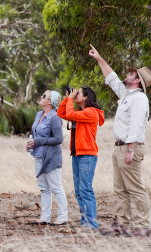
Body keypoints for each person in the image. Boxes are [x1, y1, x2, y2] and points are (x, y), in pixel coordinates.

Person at [88, 44, 151, 236]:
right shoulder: (127, 95)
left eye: (131, 74)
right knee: (120, 188)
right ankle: (121, 224)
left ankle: (144, 225)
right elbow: (112, 79)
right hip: (119, 147)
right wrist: (99, 59)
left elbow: (136, 125)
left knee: (135, 188)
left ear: (137, 81)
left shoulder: (139, 99)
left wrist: (131, 149)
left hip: (129, 147)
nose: (127, 75)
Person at [57, 86, 105, 229]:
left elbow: (69, 114)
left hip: (87, 155)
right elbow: (61, 113)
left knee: (85, 189)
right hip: (77, 155)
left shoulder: (91, 112)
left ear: (86, 97)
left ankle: (91, 223)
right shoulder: (80, 113)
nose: (75, 95)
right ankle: (85, 222)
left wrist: (70, 100)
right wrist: (67, 99)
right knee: (79, 191)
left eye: (78, 93)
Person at [27, 90, 68, 226]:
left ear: (50, 101)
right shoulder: (39, 114)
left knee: (56, 187)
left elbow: (58, 139)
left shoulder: (55, 117)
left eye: (44, 96)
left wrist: (38, 141)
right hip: (38, 155)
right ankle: (45, 217)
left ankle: (62, 217)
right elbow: (36, 134)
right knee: (44, 188)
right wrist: (31, 143)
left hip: (51, 157)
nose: (41, 97)